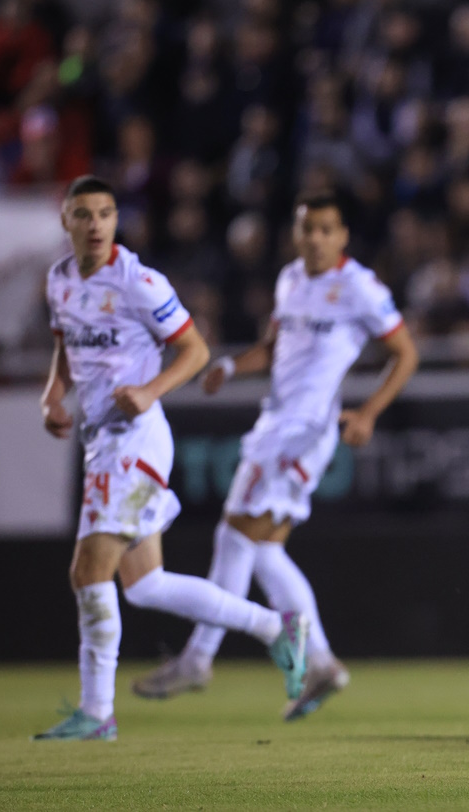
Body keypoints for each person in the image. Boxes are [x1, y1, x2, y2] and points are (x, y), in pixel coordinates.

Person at [35, 176, 308, 741]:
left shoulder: (137, 281)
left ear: (116, 220)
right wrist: (52, 394)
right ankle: (273, 626)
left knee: (88, 573)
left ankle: (97, 713)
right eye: (83, 214)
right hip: (102, 444)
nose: (95, 225)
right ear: (65, 221)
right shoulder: (59, 281)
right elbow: (66, 343)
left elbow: (196, 348)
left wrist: (150, 390)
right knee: (144, 585)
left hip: (135, 442)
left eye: (106, 213)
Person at [132, 192, 419, 721]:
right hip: (275, 423)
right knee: (262, 552)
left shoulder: (359, 286)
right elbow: (273, 346)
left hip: (305, 431)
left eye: (325, 229)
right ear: (296, 232)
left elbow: (405, 352)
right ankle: (323, 662)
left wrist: (369, 411)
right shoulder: (290, 279)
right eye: (307, 228)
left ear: (342, 236)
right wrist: (230, 367)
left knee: (235, 535)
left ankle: (199, 658)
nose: (314, 238)